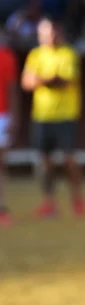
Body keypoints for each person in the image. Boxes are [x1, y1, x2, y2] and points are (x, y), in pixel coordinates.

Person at [21, 15, 85, 219]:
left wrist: (40, 79)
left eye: (53, 32)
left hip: (66, 115)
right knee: (45, 161)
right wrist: (50, 79)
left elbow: (66, 81)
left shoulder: (69, 53)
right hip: (42, 115)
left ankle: (77, 198)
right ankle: (50, 202)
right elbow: (27, 82)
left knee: (69, 160)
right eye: (46, 32)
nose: (50, 36)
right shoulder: (35, 54)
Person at [0, 34, 19, 226]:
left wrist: (13, 117)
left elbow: (12, 89)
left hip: (1, 116)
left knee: (0, 163)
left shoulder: (6, 56)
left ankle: (1, 206)